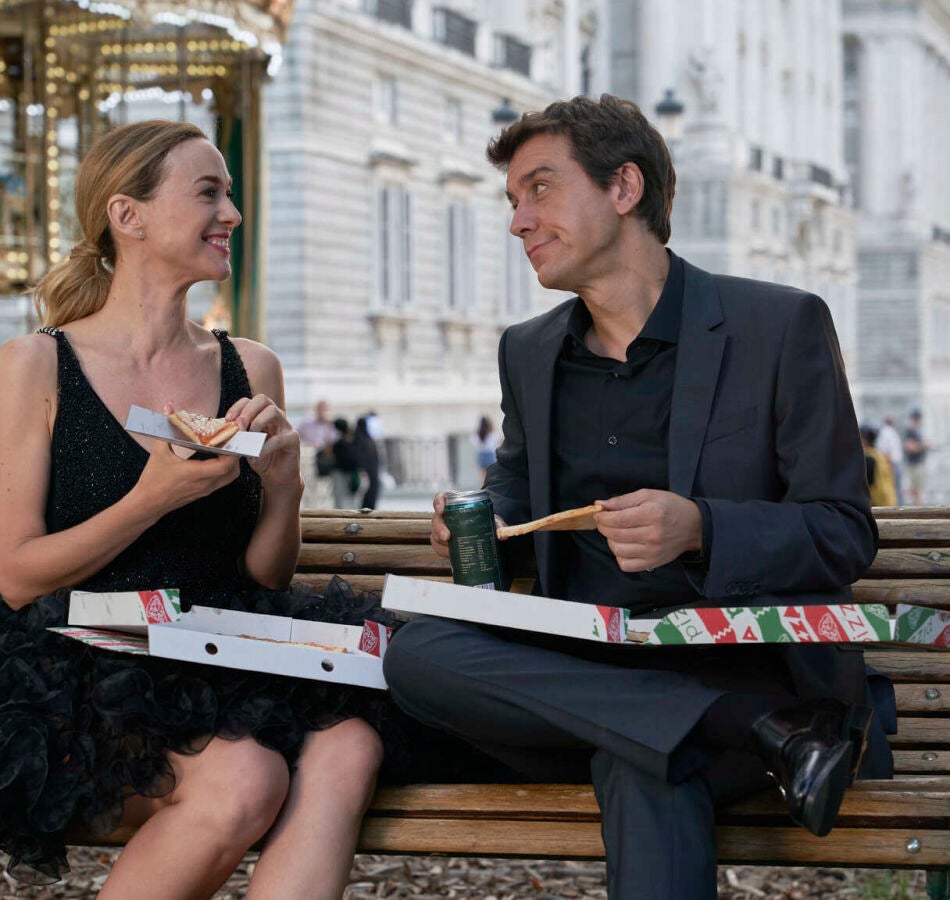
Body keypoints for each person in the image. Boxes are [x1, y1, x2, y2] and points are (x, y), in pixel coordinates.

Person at [0, 121, 398, 898]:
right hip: (91, 657)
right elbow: (20, 575)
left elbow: (265, 576)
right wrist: (149, 500)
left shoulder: (250, 366)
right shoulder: (37, 363)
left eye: (228, 194)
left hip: (224, 645)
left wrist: (285, 487)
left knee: (351, 745)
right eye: (208, 193)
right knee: (247, 777)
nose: (231, 213)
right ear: (128, 216)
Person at [382, 95, 891, 900]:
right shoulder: (529, 351)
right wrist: (488, 520)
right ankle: (768, 737)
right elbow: (515, 481)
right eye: (513, 200)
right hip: (583, 672)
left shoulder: (778, 326)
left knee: (644, 756)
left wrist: (701, 529)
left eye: (540, 189)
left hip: (747, 663)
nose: (518, 221)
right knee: (414, 654)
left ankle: (740, 721)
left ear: (624, 188)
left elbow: (842, 532)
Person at [329, 417, 362, 509]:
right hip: (352, 472)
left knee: (341, 500)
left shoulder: (339, 443)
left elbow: (332, 456)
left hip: (342, 473)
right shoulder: (355, 438)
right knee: (352, 500)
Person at [861, 425, 896, 508]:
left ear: (864, 440)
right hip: (889, 501)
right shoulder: (880, 455)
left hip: (878, 505)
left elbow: (865, 487)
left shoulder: (867, 459)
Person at [352, 415, 382, 509]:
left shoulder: (358, 439)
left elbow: (359, 457)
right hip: (373, 472)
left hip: (365, 472)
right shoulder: (370, 440)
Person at [874, 415, 903, 504]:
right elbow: (886, 452)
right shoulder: (887, 432)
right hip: (892, 464)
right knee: (894, 488)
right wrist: (890, 466)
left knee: (896, 488)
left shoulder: (888, 432)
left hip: (894, 463)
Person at [902, 409, 929, 505]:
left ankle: (917, 505)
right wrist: (923, 446)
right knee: (915, 489)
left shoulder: (916, 431)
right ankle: (917, 507)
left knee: (917, 488)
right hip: (914, 464)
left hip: (917, 463)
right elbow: (908, 447)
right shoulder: (910, 430)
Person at [475, 415, 500, 484]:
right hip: (490, 455)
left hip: (481, 455)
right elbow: (497, 442)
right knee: (491, 475)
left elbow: (474, 442)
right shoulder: (492, 433)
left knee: (482, 477)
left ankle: (482, 488)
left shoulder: (478, 434)